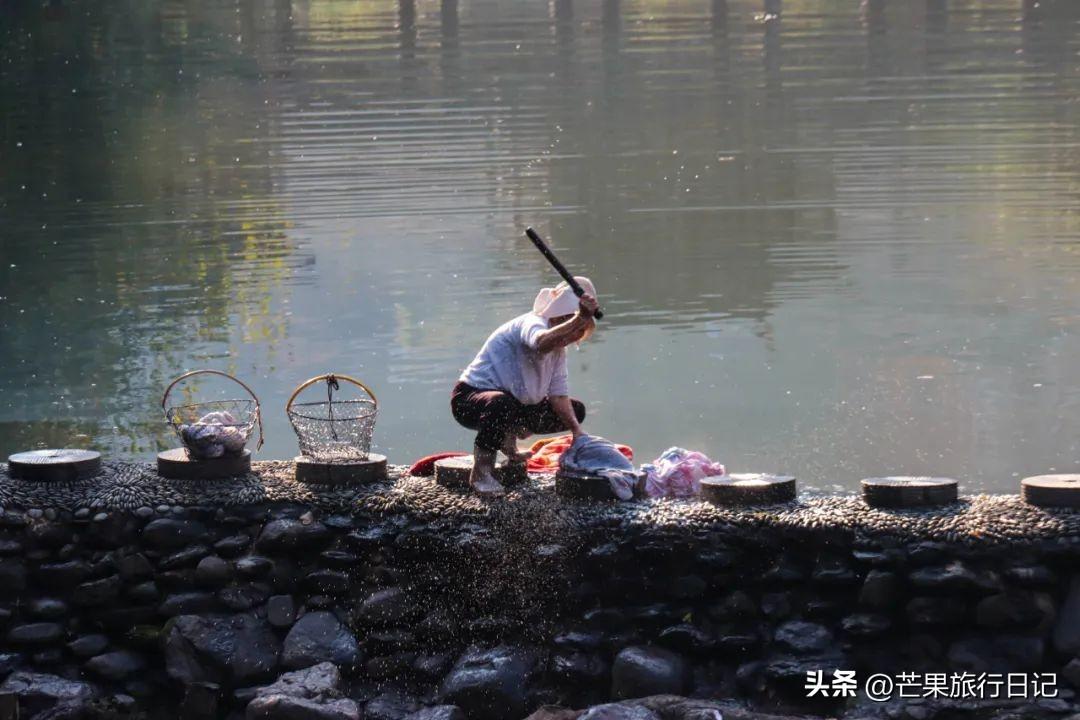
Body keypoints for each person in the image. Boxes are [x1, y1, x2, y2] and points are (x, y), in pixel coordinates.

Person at [451, 278, 599, 496]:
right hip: (471, 400)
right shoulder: (532, 323)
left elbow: (558, 395)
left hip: (513, 404)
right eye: (574, 328)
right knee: (501, 404)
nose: (573, 338)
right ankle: (481, 472)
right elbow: (540, 343)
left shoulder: (559, 351)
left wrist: (578, 432)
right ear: (562, 318)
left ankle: (508, 438)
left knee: (576, 411)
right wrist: (580, 318)